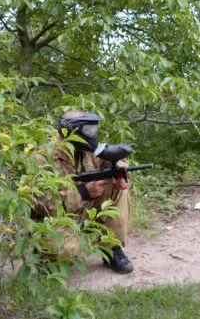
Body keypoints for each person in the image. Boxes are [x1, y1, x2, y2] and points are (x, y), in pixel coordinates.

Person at [44, 110, 134, 274]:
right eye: (88, 130)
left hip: (84, 212)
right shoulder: (44, 158)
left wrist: (121, 172)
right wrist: (83, 192)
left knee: (116, 187)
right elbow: (41, 203)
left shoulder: (89, 150)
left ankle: (111, 249)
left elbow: (113, 160)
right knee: (65, 251)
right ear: (71, 131)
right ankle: (46, 259)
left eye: (93, 129)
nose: (92, 134)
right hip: (55, 220)